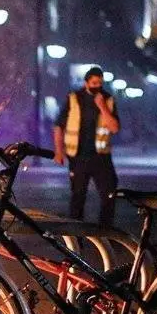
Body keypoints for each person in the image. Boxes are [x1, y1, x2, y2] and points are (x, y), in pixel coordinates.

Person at [53, 66, 121, 225]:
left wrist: (102, 106)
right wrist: (59, 151)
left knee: (109, 194)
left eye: (100, 83)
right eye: (94, 82)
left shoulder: (108, 100)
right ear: (86, 83)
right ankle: (76, 236)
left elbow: (115, 128)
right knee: (78, 196)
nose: (97, 86)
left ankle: (105, 232)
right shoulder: (73, 99)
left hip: (101, 157)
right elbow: (58, 126)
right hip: (78, 157)